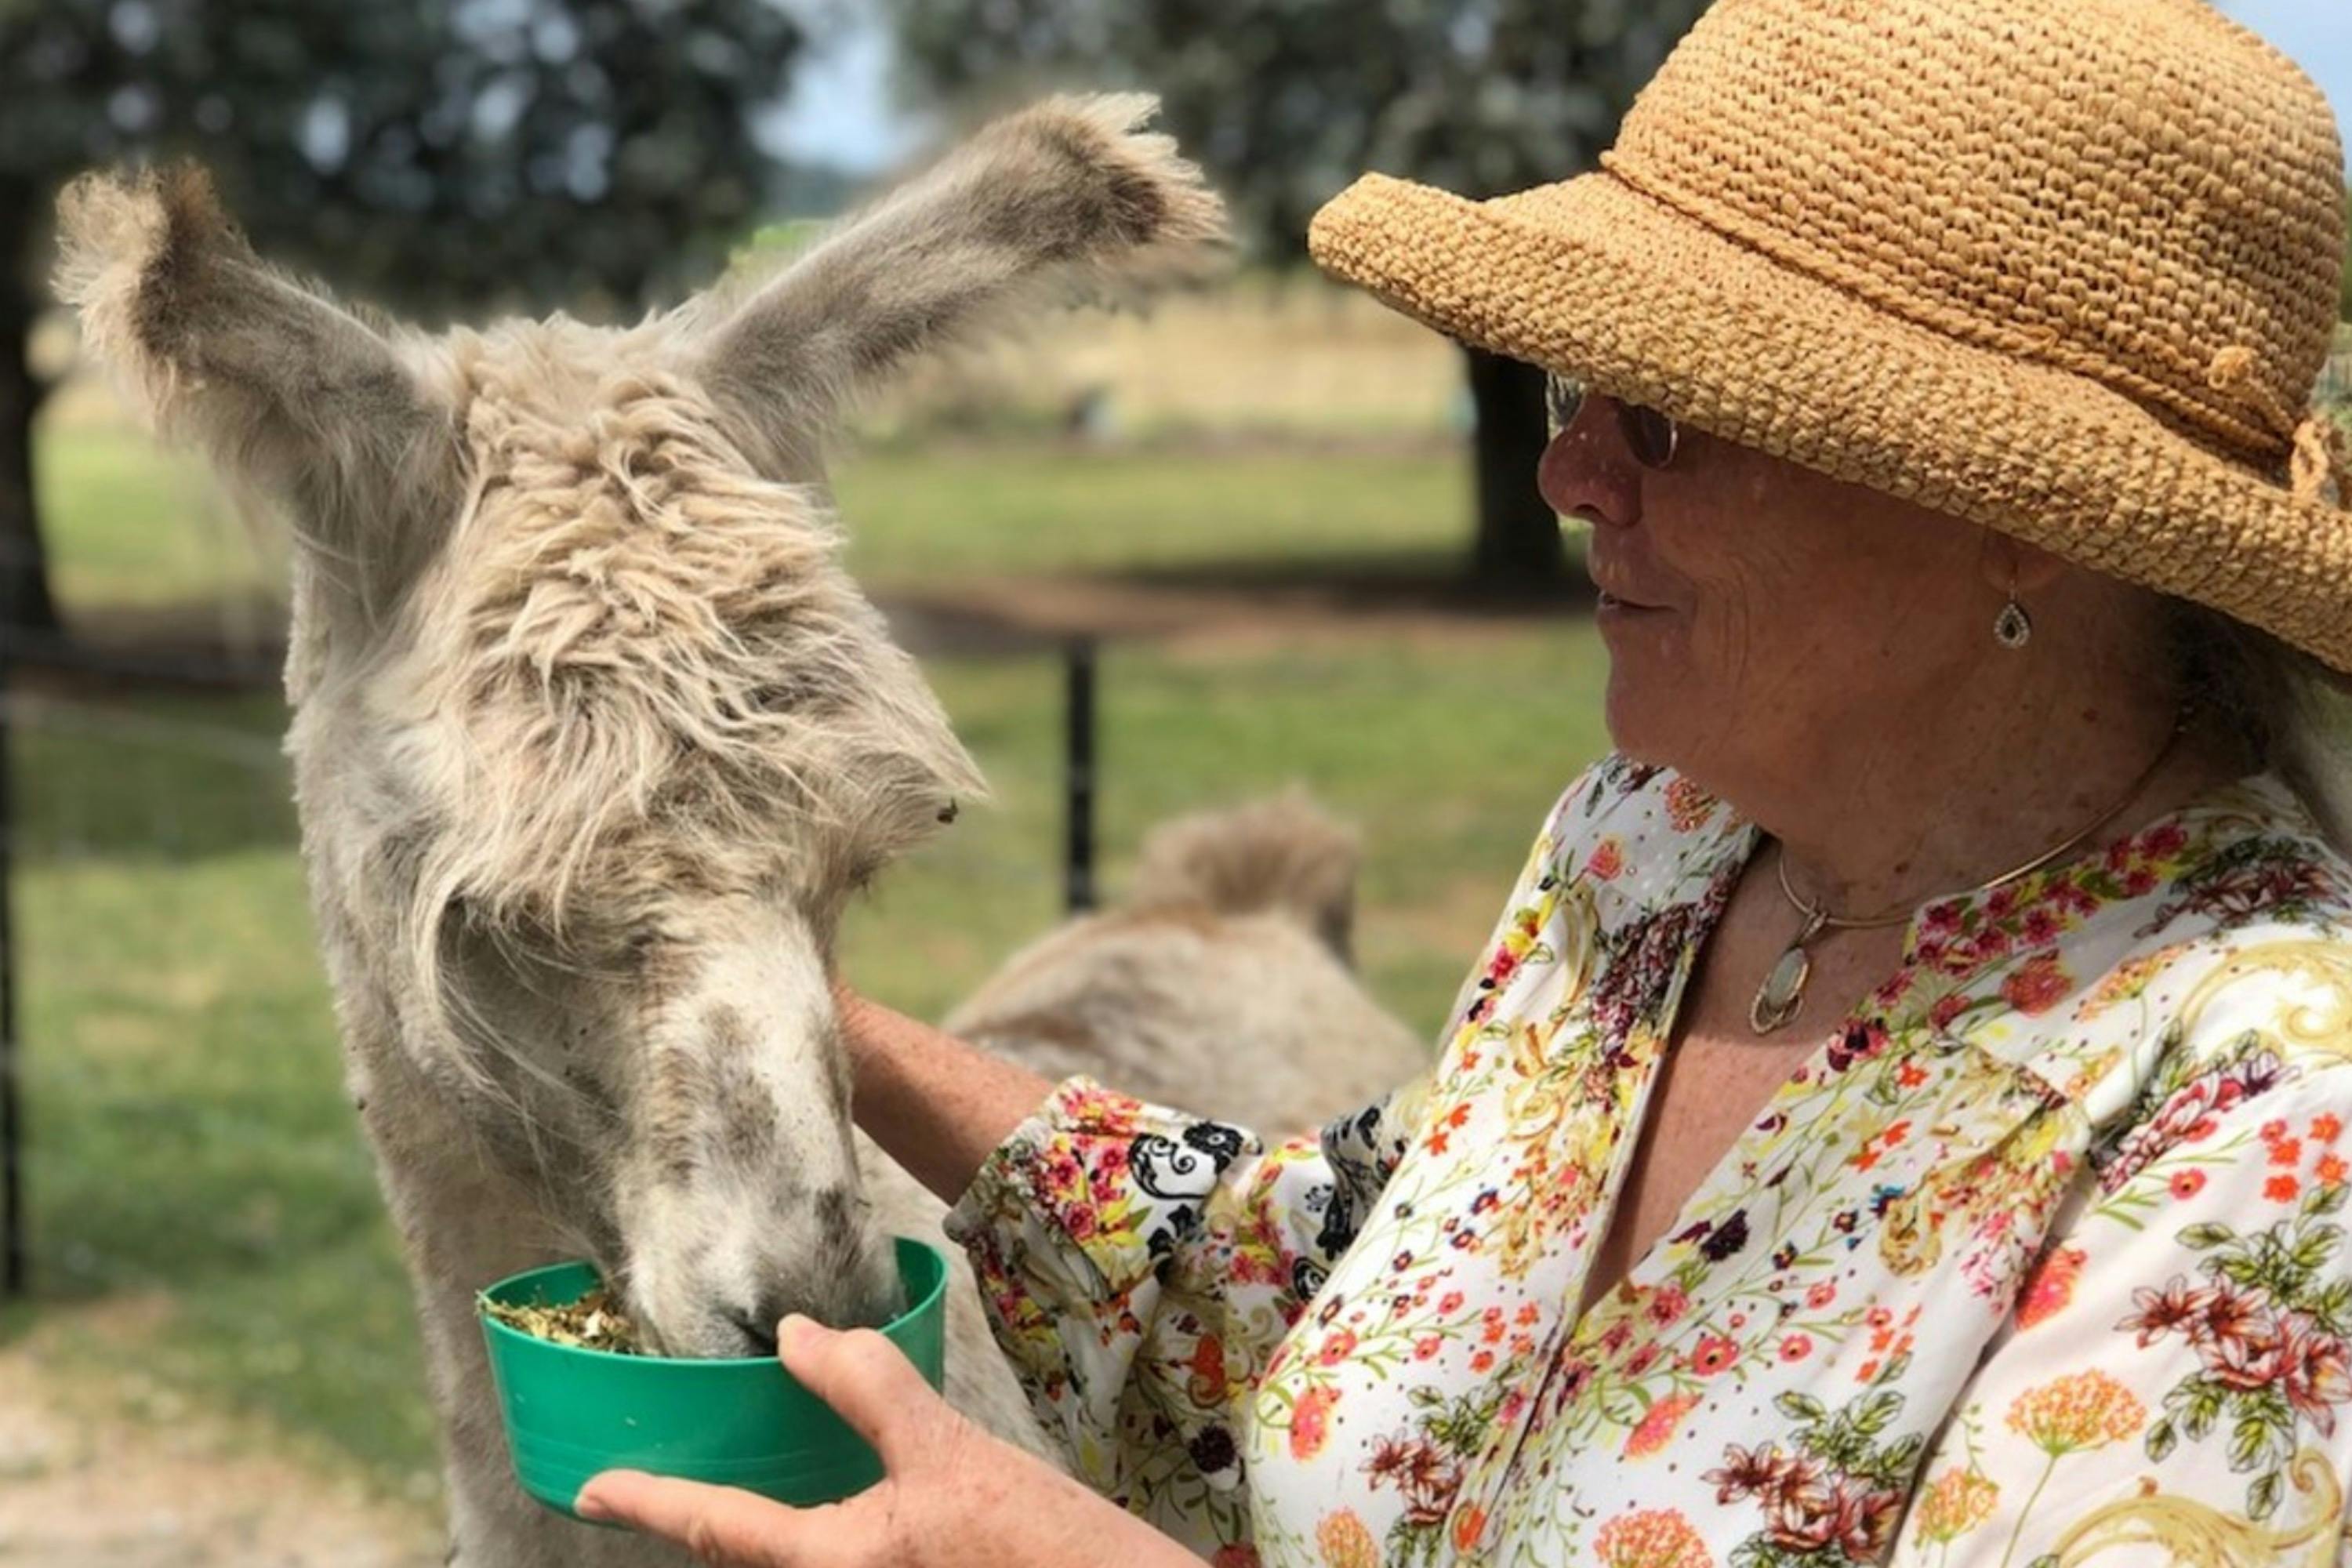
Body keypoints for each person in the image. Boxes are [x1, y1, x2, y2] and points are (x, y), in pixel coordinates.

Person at [578, 0, 2352, 1561]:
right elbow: (1349, 1284)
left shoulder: (2275, 1103)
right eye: (1578, 381)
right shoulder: (1655, 856)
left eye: (1669, 410)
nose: (1569, 472)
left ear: (2016, 522)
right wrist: (803, 1012)